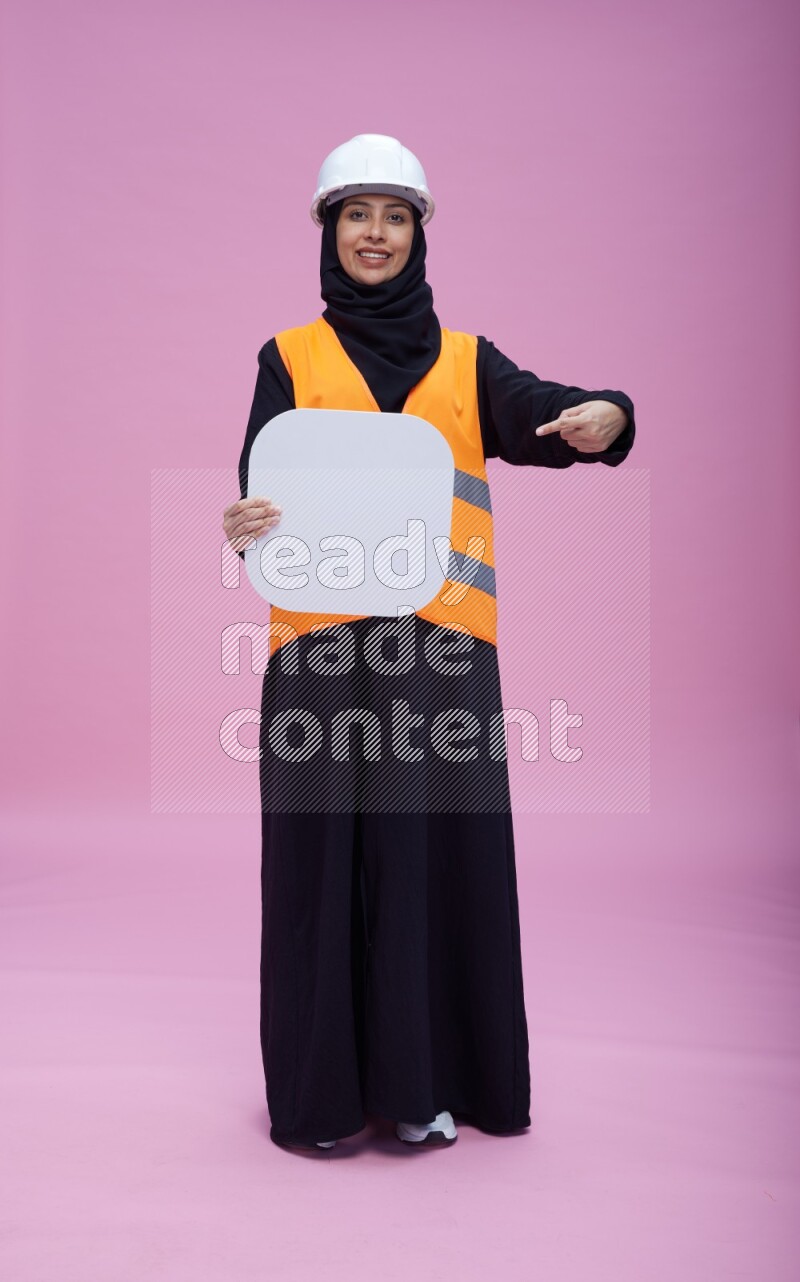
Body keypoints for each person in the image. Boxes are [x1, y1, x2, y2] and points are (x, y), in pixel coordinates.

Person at [223, 134, 636, 1154]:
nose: (375, 233)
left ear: (418, 233)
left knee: (424, 866)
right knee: (317, 869)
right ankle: (318, 1103)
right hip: (317, 652)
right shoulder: (289, 357)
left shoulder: (466, 363)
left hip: (437, 654)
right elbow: (258, 489)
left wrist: (605, 415)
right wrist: (241, 523)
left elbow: (544, 414)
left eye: (394, 215)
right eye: (356, 214)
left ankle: (419, 1088)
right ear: (329, 230)